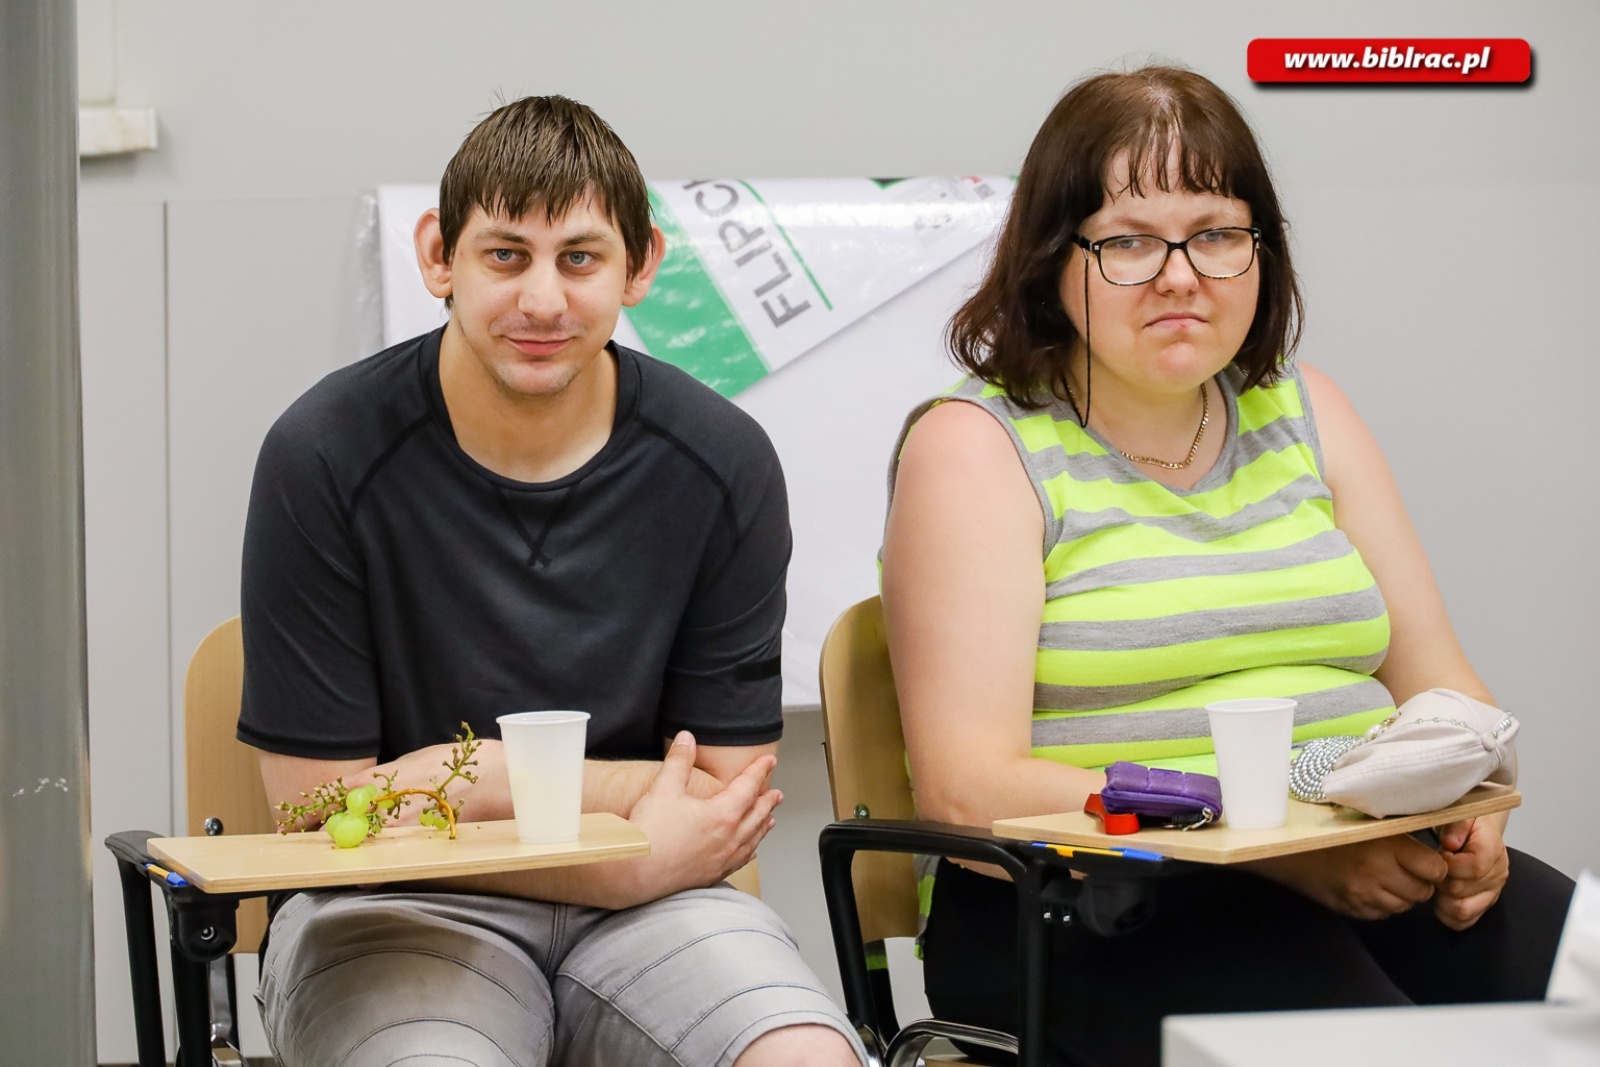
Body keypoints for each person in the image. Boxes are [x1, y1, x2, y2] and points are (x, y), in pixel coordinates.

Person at [879, 65, 1574, 1067]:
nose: (1179, 275)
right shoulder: (975, 447)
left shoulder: (1307, 409)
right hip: (1091, 901)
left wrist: (1476, 814)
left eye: (1214, 234)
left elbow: (1444, 687)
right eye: (1128, 241)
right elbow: (967, 788)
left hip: (1362, 857)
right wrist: (1283, 850)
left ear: (1260, 250)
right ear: (1050, 259)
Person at [237, 95, 864, 1067]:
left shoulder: (722, 461)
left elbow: (724, 798)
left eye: (578, 257)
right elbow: (324, 814)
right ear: (437, 255)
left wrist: (443, 781)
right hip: (395, 902)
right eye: (504, 255)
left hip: (662, 905)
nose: (541, 300)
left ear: (640, 265)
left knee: (805, 1056)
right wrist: (603, 829)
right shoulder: (322, 453)